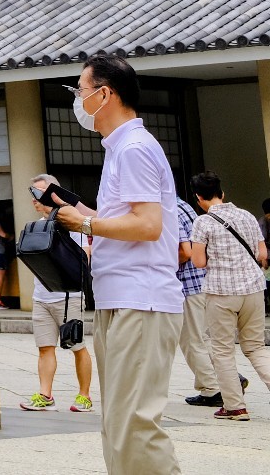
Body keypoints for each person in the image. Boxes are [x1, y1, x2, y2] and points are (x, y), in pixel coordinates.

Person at [51, 54, 181, 475]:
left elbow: (147, 225)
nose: (78, 99)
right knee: (120, 425)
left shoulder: (134, 148)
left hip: (139, 300)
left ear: (104, 94)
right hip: (122, 299)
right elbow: (127, 219)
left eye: (81, 90)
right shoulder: (122, 147)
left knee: (135, 426)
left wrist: (85, 221)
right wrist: (74, 209)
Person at [186, 171, 270, 419]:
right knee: (255, 348)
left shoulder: (203, 223)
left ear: (198, 198)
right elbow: (262, 254)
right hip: (253, 290)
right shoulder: (246, 216)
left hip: (222, 292)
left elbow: (198, 262)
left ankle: (235, 407)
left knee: (222, 351)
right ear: (222, 193)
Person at [20, 174, 94, 413]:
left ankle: (85, 396)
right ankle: (45, 394)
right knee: (45, 347)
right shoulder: (38, 225)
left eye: (40, 193)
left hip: (68, 297)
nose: (35, 199)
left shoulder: (72, 222)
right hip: (41, 296)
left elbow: (84, 256)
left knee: (77, 345)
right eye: (33, 194)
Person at [174, 193, 222, 407]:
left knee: (191, 340)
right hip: (200, 280)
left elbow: (185, 251)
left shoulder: (170, 210)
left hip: (186, 283)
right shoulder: (183, 205)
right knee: (202, 338)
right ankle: (229, 378)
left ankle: (211, 389)